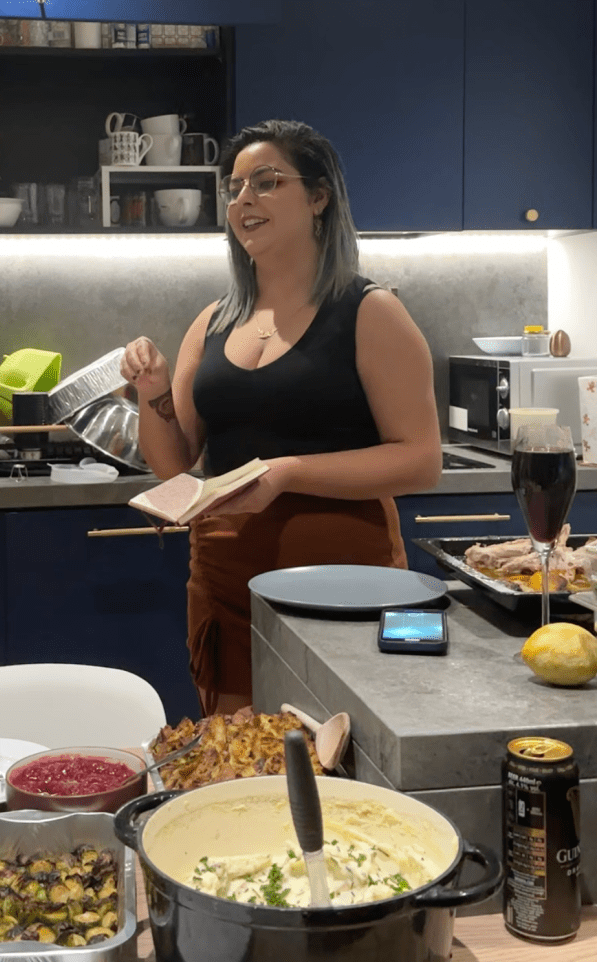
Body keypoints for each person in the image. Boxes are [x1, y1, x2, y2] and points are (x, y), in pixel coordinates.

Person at [120, 119, 442, 716]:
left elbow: (421, 459)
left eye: (266, 182)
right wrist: (153, 392)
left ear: (319, 197)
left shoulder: (370, 312)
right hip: (225, 583)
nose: (243, 200)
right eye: (234, 188)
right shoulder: (213, 322)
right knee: (238, 753)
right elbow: (175, 466)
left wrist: (287, 472)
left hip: (346, 586)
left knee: (340, 753)